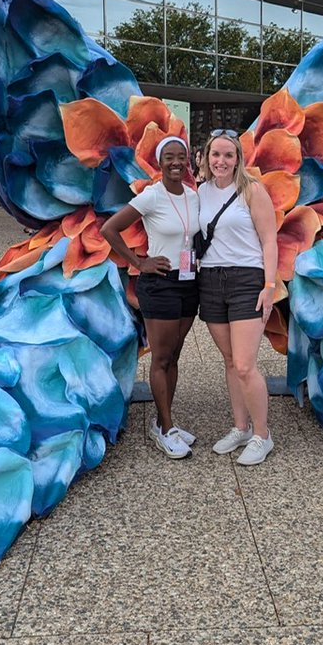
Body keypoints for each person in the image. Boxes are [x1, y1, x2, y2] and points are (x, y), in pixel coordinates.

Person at [101, 136, 200, 459]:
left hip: (189, 282)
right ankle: (166, 430)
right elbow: (109, 229)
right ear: (160, 162)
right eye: (169, 157)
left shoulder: (192, 196)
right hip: (160, 284)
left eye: (181, 156)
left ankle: (163, 421)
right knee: (161, 358)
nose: (176, 162)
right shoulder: (151, 196)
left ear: (188, 160)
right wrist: (139, 261)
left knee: (174, 356)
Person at [197, 128, 279, 465]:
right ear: (206, 158)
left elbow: (270, 240)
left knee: (245, 364)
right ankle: (241, 427)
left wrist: (269, 286)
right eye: (215, 154)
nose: (221, 161)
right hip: (210, 279)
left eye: (228, 155)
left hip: (246, 279)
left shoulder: (252, 190)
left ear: (238, 159)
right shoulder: (201, 192)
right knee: (230, 361)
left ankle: (262, 434)